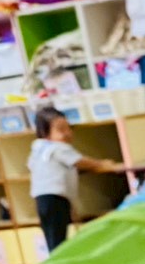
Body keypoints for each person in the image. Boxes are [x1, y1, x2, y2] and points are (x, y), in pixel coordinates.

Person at [28, 106, 122, 252]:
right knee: (58, 238)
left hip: (41, 200)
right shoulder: (58, 148)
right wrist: (102, 164)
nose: (67, 133)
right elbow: (79, 161)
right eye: (61, 129)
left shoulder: (38, 148)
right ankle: (58, 262)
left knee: (52, 236)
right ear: (45, 133)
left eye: (68, 128)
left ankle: (56, 258)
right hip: (55, 199)